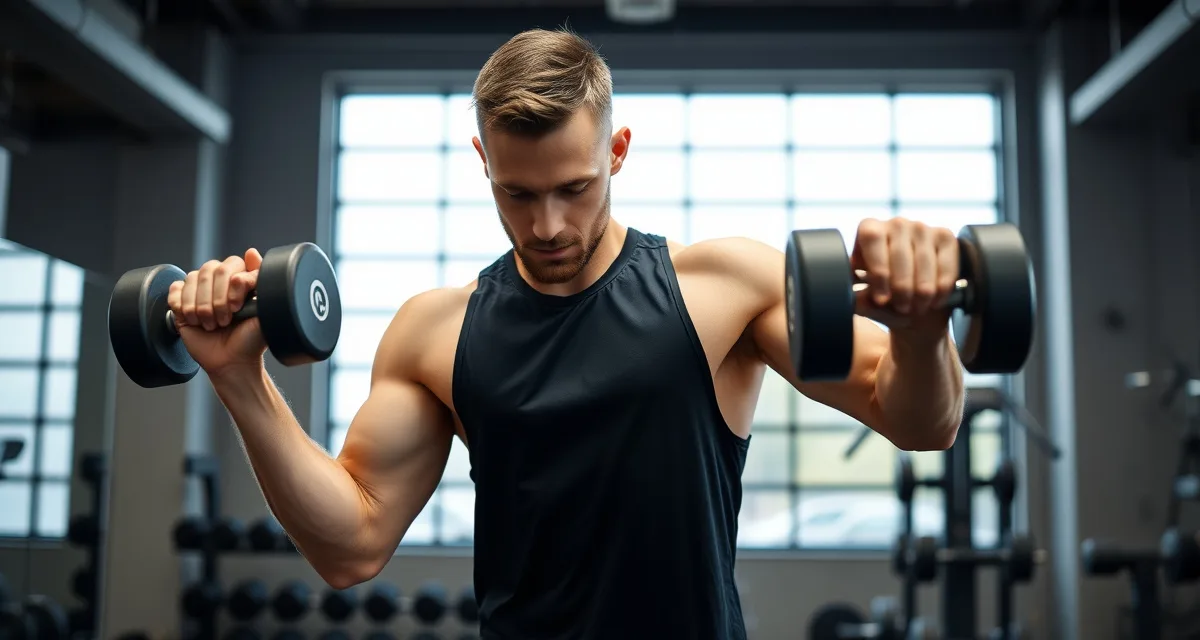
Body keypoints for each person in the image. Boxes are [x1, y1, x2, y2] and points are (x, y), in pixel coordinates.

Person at [168, 28, 965, 640]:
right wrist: (241, 379)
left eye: (574, 188)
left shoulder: (724, 288)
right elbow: (351, 547)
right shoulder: (435, 333)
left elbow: (919, 422)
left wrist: (923, 334)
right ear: (483, 159)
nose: (547, 225)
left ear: (617, 152)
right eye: (517, 193)